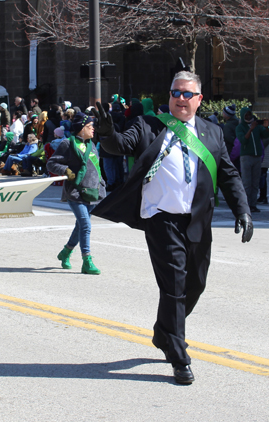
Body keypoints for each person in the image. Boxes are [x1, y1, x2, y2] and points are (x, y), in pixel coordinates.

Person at [92, 71, 253, 385]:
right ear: (169, 96)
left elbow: (229, 175)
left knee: (196, 284)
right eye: (176, 93)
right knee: (174, 287)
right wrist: (107, 131)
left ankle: (164, 332)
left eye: (187, 94)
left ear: (199, 99)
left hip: (197, 220)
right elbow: (119, 145)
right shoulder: (150, 126)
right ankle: (179, 357)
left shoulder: (212, 132)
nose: (181, 99)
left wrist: (243, 211)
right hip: (161, 219)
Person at [47, 112, 106, 275]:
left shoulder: (92, 145)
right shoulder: (67, 144)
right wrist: (65, 170)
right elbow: (51, 163)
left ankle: (66, 252)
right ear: (81, 129)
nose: (93, 129)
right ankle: (87, 260)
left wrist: (101, 186)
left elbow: (96, 169)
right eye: (89, 126)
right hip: (75, 192)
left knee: (80, 226)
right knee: (85, 225)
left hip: (93, 193)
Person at [235, 107, 269, 213]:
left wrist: (266, 127)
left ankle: (253, 204)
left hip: (257, 157)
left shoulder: (257, 126)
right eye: (247, 115)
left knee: (255, 182)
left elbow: (266, 135)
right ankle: (245, 205)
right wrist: (251, 129)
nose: (249, 117)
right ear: (243, 116)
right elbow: (243, 141)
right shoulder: (240, 127)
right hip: (246, 156)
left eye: (250, 115)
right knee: (247, 182)